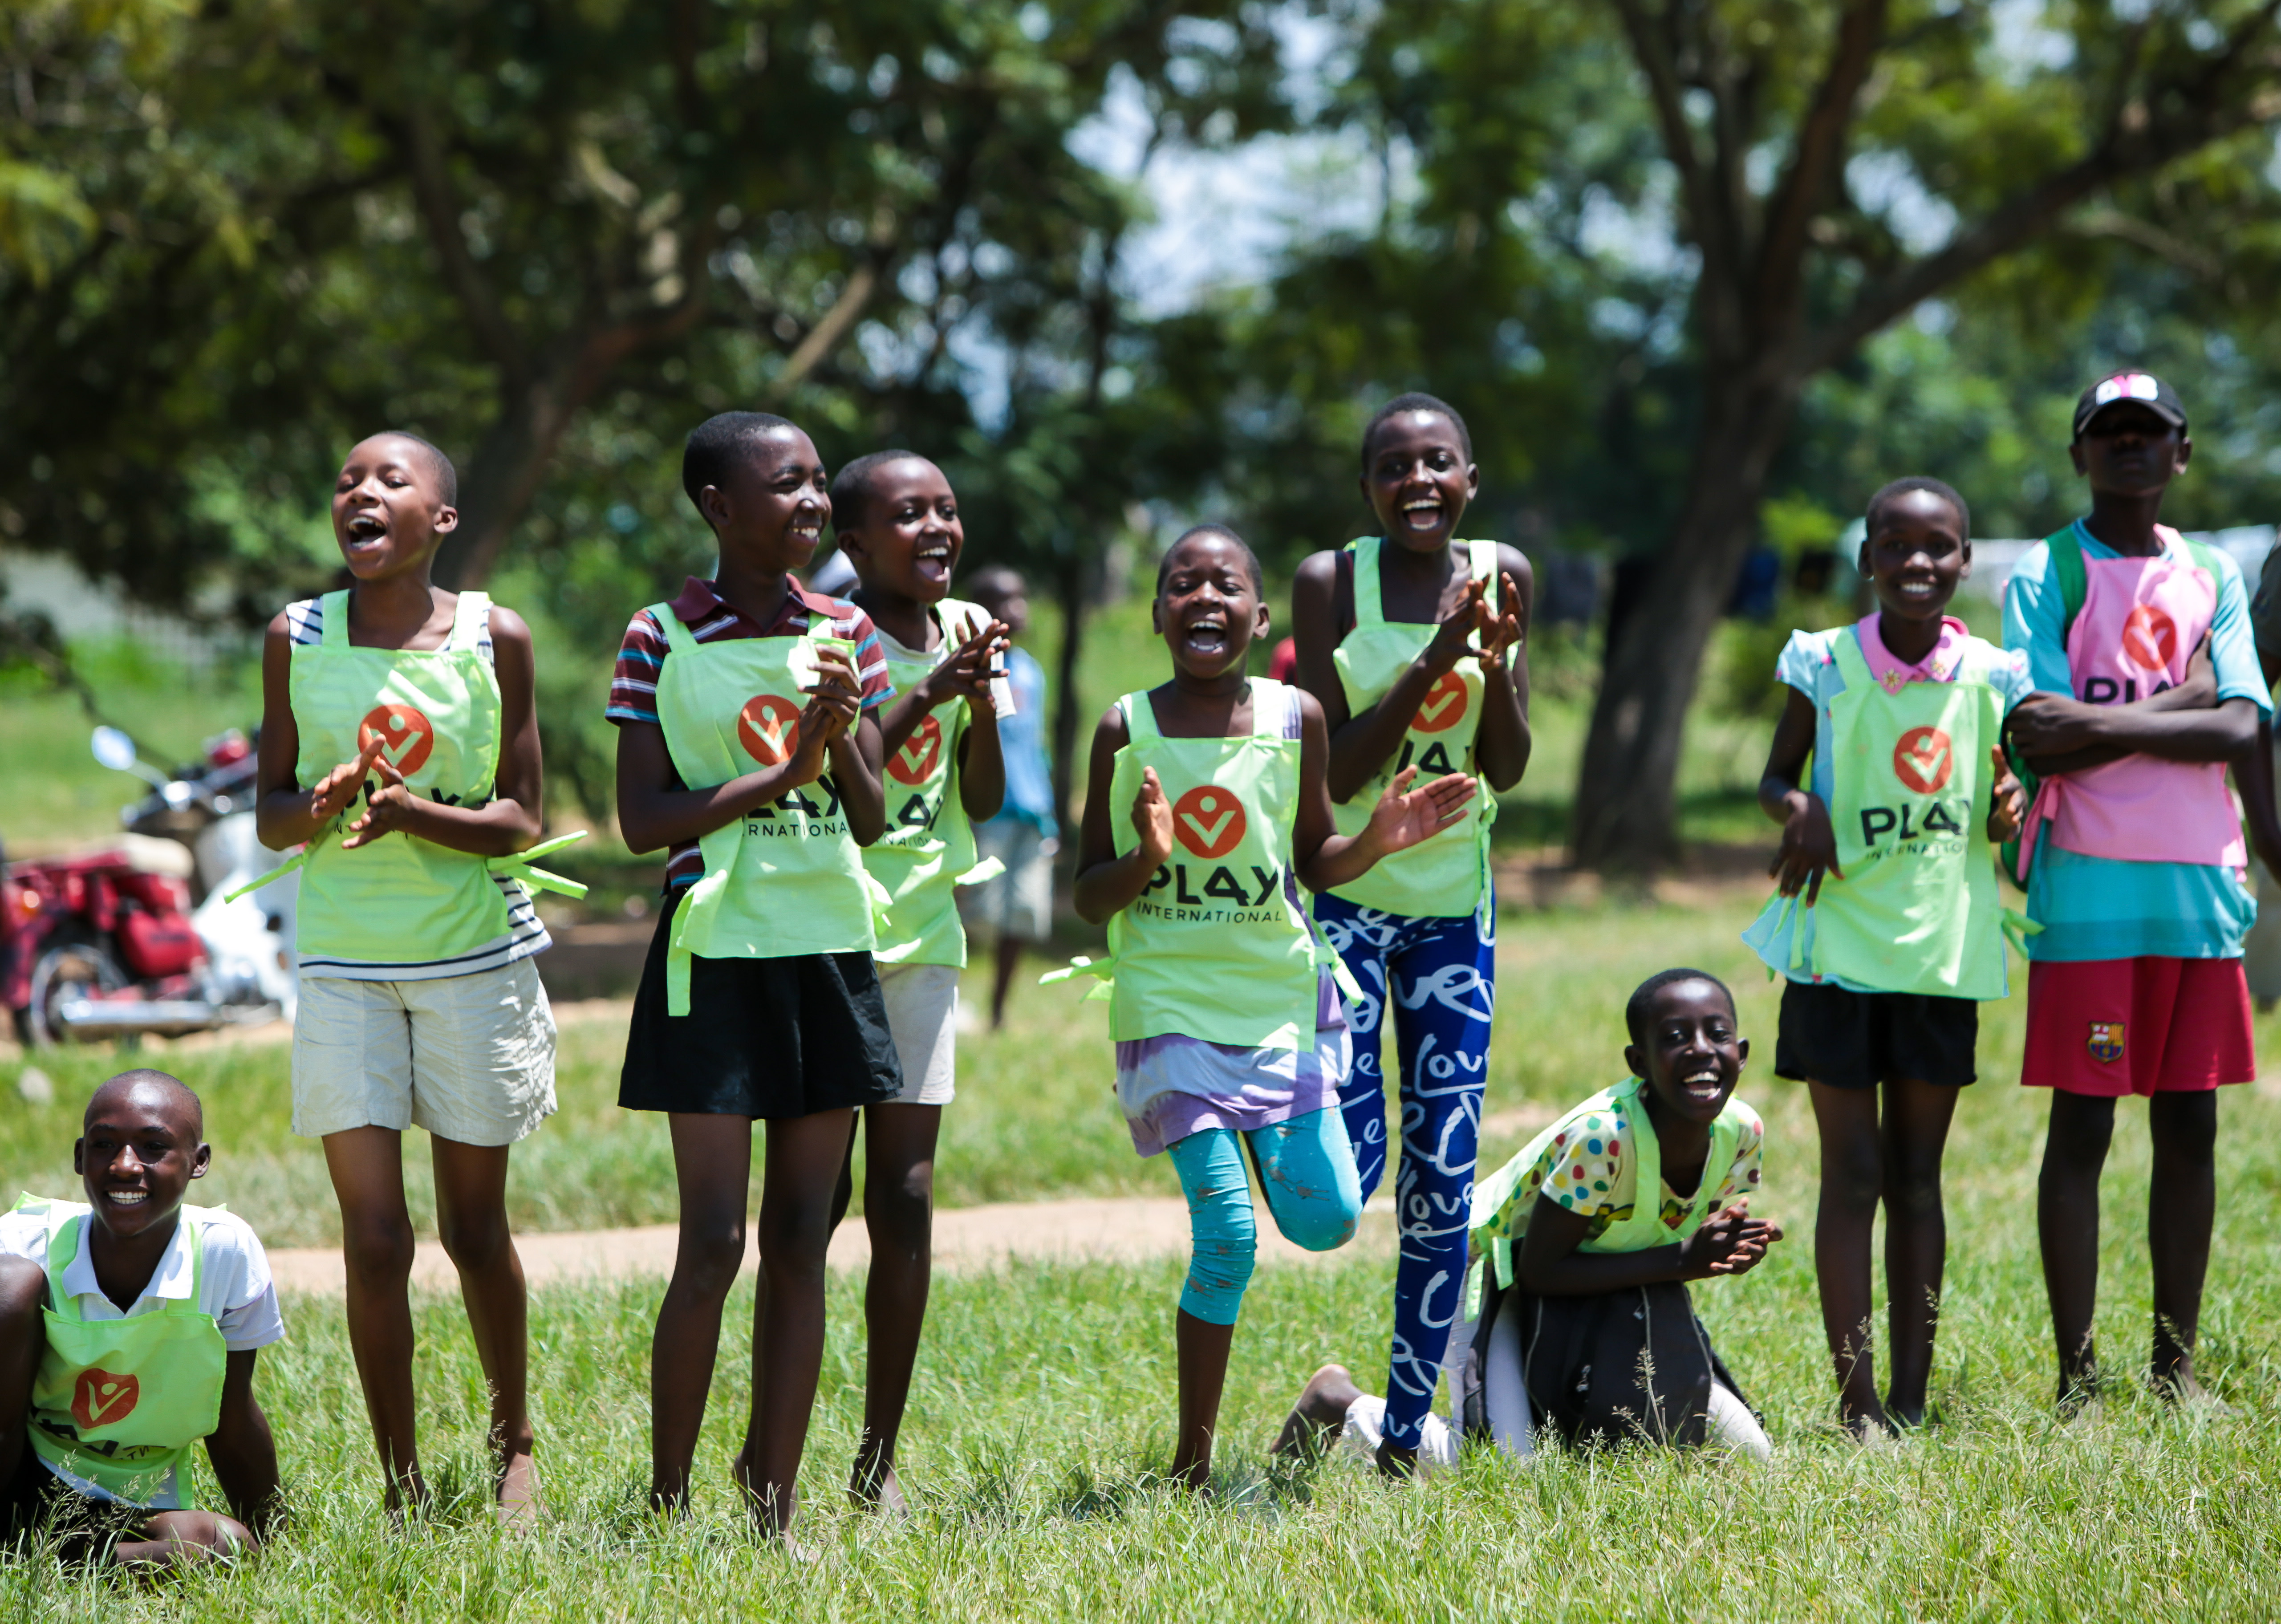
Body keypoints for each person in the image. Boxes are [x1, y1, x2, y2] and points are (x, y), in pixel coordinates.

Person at [1062, 524, 1475, 1491]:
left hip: (1281, 1005)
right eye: (1182, 584)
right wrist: (1145, 863)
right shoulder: (1126, 728)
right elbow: (1086, 892)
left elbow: (1313, 859)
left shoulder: (1298, 719)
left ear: (1257, 615)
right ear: (1159, 611)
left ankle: (1321, 1380)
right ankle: (1192, 1465)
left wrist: (1374, 843)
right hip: (1169, 1008)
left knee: (1331, 1219)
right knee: (1230, 1238)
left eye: (1228, 584)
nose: (1205, 597)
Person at [252, 430, 576, 1518]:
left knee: (473, 1229)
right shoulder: (294, 637)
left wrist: (412, 812)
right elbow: (271, 817)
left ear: (441, 519)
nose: (361, 492)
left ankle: (513, 1439)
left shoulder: (497, 638)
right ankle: (402, 1481)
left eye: (392, 480)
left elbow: (521, 816)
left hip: (470, 962)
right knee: (374, 1236)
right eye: (347, 479)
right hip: (345, 966)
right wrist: (328, 804)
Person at [609, 411, 902, 1542]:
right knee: (714, 1243)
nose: (814, 503)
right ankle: (668, 1496)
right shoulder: (658, 635)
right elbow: (644, 820)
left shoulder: (847, 631)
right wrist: (781, 773)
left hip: (826, 947)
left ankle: (772, 1502)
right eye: (787, 486)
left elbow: (870, 820)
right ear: (718, 506)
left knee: (801, 1239)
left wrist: (837, 742)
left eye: (820, 483)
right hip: (714, 959)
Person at [1742, 477, 2032, 1438]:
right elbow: (1775, 774)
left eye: (1939, 546)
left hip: (1940, 959)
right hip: (1833, 953)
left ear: (1964, 559)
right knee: (1852, 1177)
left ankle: (1913, 1398)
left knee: (1919, 1179)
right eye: (1896, 547)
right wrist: (1801, 808)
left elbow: (2007, 798)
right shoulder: (1822, 663)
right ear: (1867, 560)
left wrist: (2009, 810)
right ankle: (1857, 1402)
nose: (1918, 563)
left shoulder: (1994, 674)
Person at [2003, 373, 2266, 1413]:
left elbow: (2245, 726)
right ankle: (2077, 1379)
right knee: (2084, 1128)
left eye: (2147, 434)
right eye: (2107, 434)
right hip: (2087, 893)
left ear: (2180, 454)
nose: (2128, 448)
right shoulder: (2048, 570)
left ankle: (2177, 1367)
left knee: (2190, 1129)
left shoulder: (2214, 572)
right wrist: (2183, 703)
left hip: (2201, 889)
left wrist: (2101, 728)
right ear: (2080, 455)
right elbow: (2033, 725)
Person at [1287, 392, 1532, 1474]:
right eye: (1396, 466)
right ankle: (1344, 1399)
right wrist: (1438, 658)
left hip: (1454, 921)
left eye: (1440, 463)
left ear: (1469, 480)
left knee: (1440, 1184)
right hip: (1350, 899)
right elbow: (1335, 773)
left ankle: (1391, 1434)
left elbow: (1511, 766)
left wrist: (1500, 663)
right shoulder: (1332, 582)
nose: (1419, 481)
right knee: (1356, 1176)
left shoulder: (1503, 570)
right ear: (1368, 488)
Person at [1277, 970, 1780, 1467]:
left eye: (1719, 1035)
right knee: (1505, 1462)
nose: (1701, 1050)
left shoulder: (1741, 1131)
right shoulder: (1605, 1138)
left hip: (1608, 1278)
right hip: (1497, 1276)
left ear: (1743, 1052)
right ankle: (1340, 1402)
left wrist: (1724, 1253)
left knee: (1753, 1455)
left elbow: (1676, 1246)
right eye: (1675, 1038)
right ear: (1639, 1062)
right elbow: (1540, 1271)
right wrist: (1686, 1259)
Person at [827, 449, 1008, 1513]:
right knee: (816, 1201)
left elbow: (976, 795)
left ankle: (879, 1456)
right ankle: (780, 1443)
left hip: (923, 935)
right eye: (909, 515)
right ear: (853, 544)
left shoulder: (969, 627)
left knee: (904, 1194)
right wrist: (932, 688)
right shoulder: (828, 634)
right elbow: (858, 777)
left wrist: (978, 703)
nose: (938, 527)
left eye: (948, 508)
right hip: (822, 935)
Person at [0, 1071, 282, 1564]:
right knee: (9, 1286)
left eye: (153, 1147)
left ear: (199, 1162)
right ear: (79, 1157)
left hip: (129, 1498)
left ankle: (53, 1555)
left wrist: (275, 1537)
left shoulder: (223, 1253)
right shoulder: (25, 1244)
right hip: (21, 1469)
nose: (125, 1165)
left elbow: (231, 1416)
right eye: (104, 1144)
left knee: (225, 1547)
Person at [963, 566, 1059, 1028]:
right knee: (975, 914)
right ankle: (950, 1000)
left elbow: (1035, 744)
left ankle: (998, 1013)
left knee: (1022, 915)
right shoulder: (968, 670)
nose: (1017, 609)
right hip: (989, 812)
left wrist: (1052, 813)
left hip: (1032, 810)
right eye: (1004, 601)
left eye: (1021, 599)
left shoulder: (1032, 672)